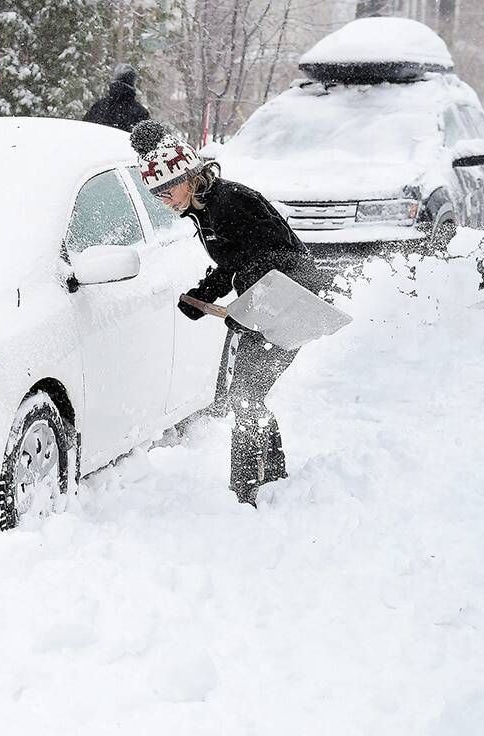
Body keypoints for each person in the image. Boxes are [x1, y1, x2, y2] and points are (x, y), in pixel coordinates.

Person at [130, 119, 321, 506]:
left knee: (246, 396)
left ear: (188, 175)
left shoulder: (231, 202)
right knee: (247, 395)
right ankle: (270, 477)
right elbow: (236, 259)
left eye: (167, 189)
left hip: (292, 304)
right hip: (268, 307)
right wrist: (205, 294)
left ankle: (247, 490)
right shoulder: (205, 210)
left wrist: (249, 305)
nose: (163, 199)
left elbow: (278, 257)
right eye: (156, 194)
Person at [83, 64, 150, 133]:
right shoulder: (140, 112)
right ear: (133, 82)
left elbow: (84, 132)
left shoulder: (99, 107)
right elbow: (149, 140)